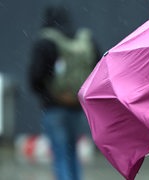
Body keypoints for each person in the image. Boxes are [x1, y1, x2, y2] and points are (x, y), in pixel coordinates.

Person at [28, 5, 100, 180]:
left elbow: (35, 77)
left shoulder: (46, 41)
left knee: (60, 154)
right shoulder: (83, 40)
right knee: (72, 153)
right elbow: (99, 69)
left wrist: (50, 97)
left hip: (54, 108)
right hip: (77, 107)